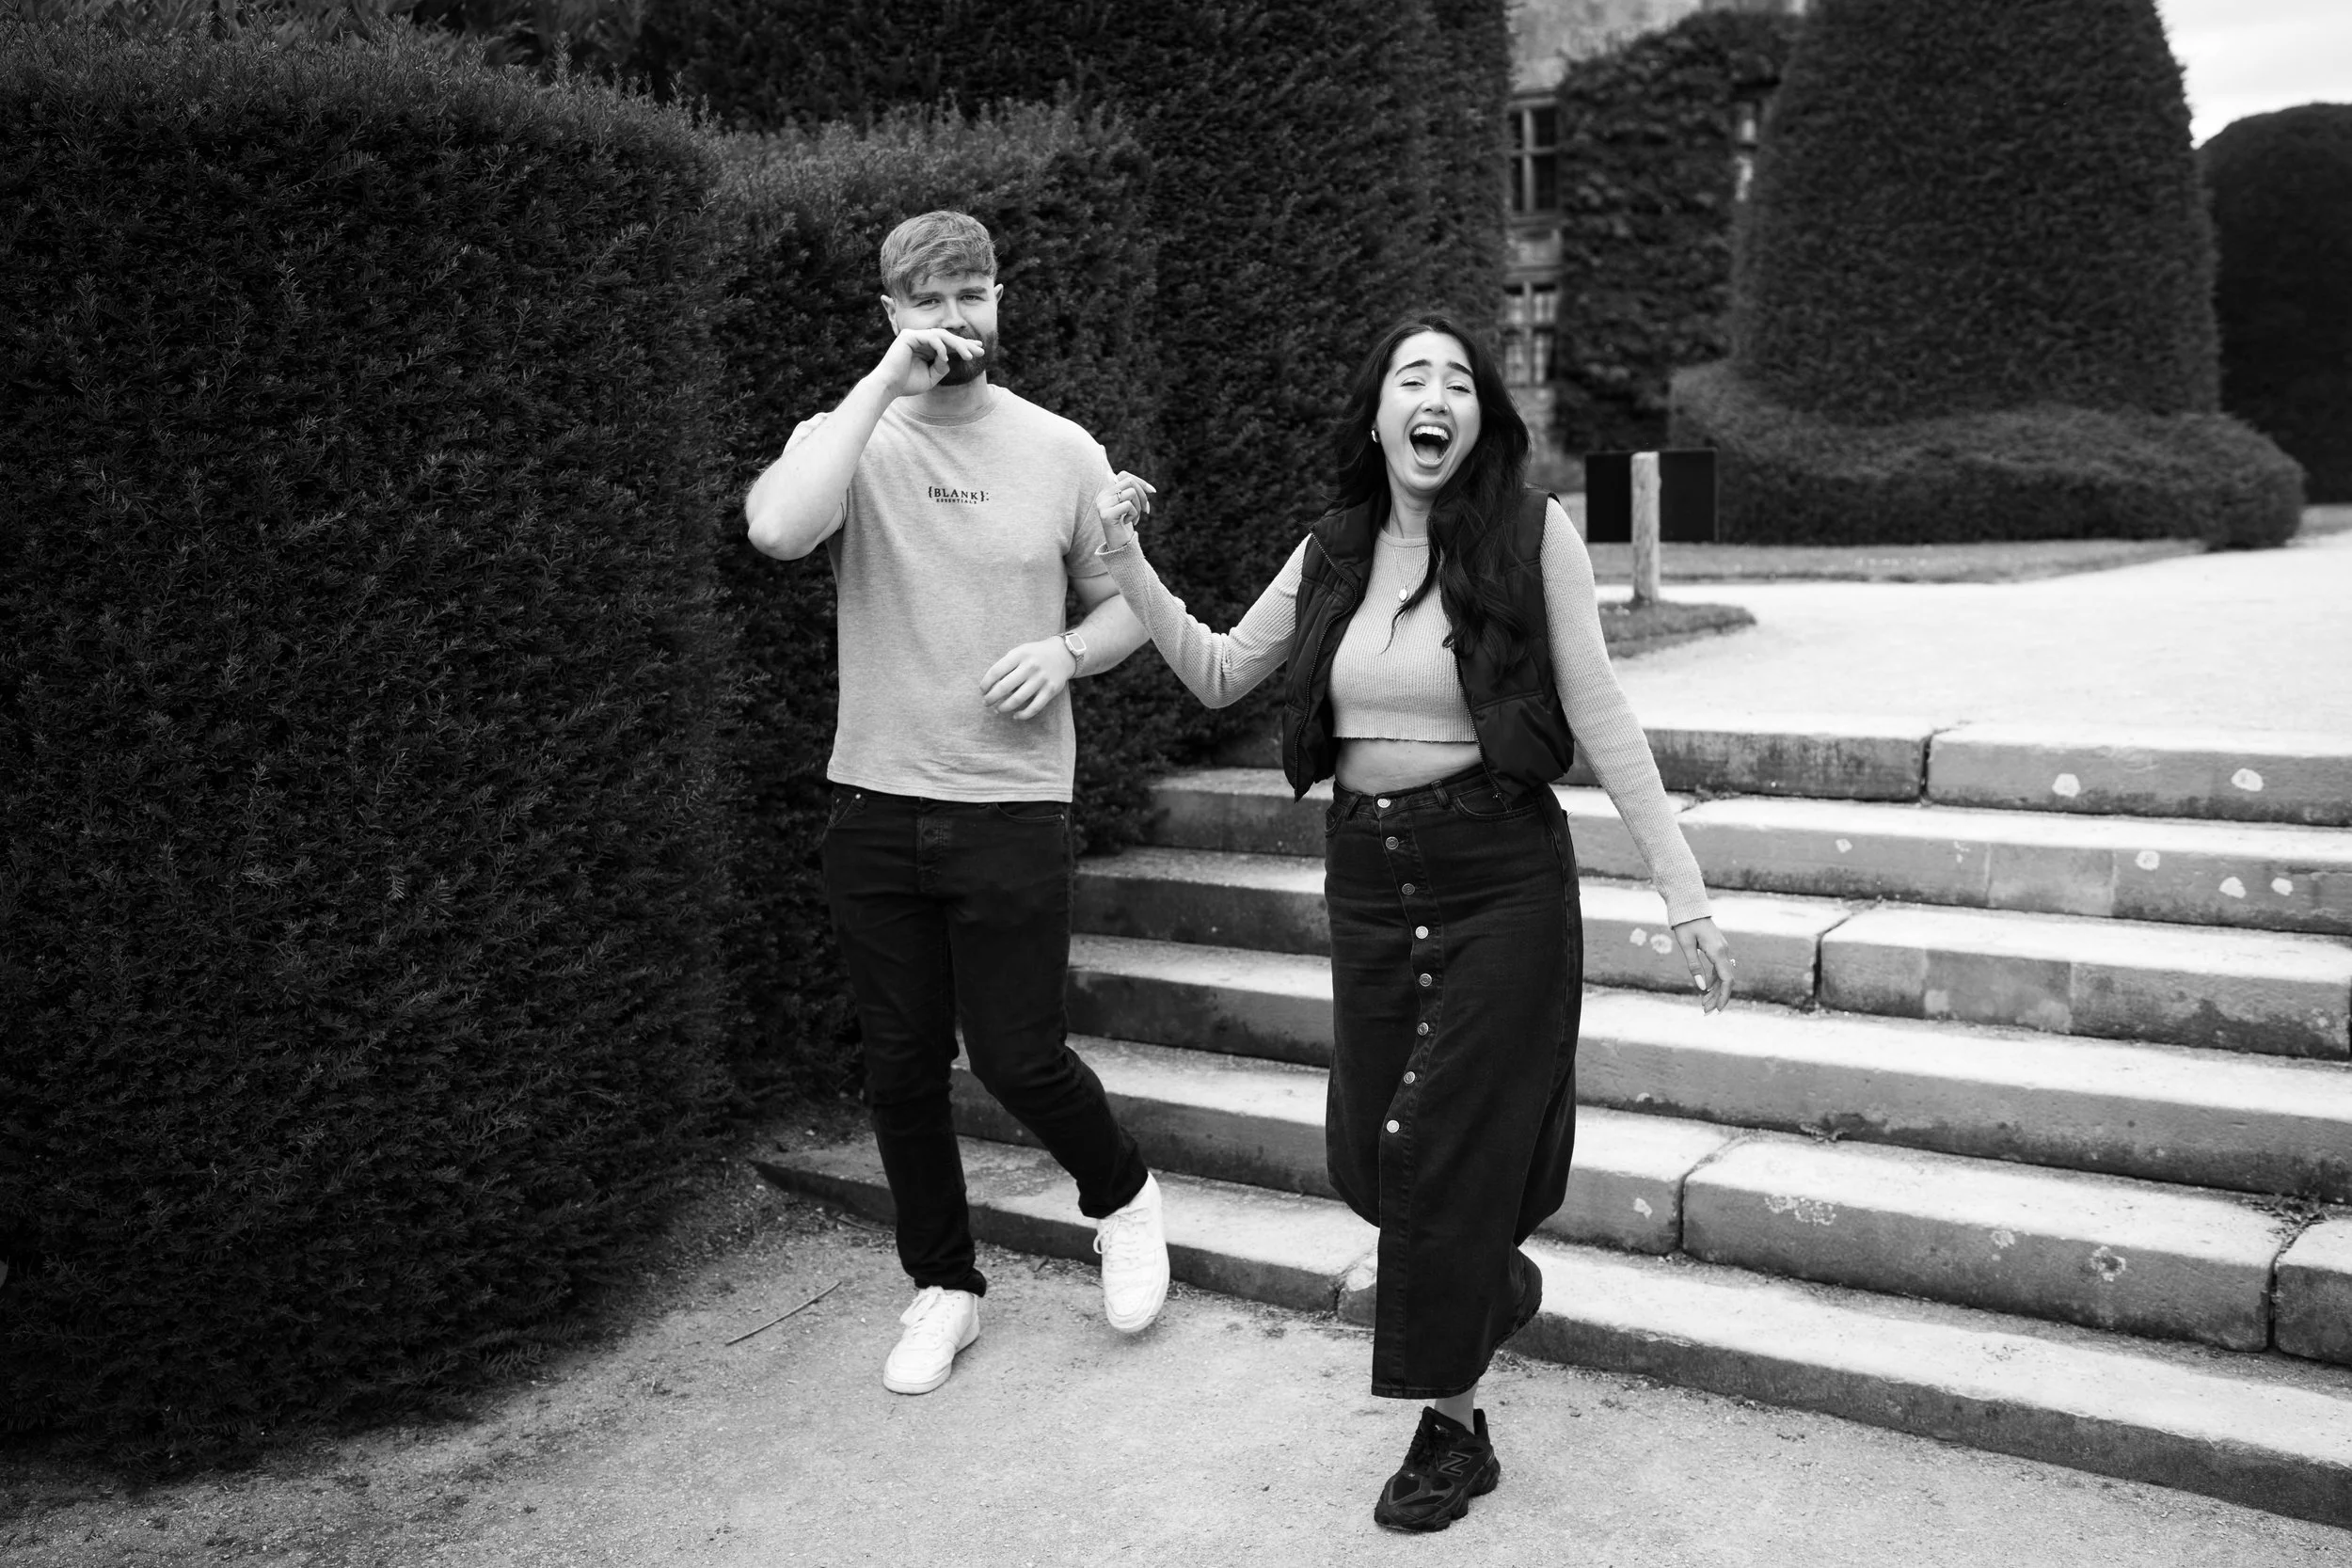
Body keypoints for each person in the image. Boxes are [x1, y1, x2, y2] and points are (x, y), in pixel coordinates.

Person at [1090, 313, 1735, 1530]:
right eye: (1411, 377)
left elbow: (1600, 712)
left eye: (1458, 382)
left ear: (1479, 418)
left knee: (1441, 1148)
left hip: (1500, 878)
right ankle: (1489, 1276)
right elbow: (1221, 669)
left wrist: (1682, 888)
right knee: (1367, 1153)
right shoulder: (1332, 548)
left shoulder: (1530, 535)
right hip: (1372, 876)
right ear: (1379, 413)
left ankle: (1451, 1428)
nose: (1435, 396)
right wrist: (1124, 555)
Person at [743, 210, 1171, 1397]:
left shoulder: (1061, 449)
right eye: (926, 302)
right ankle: (944, 1285)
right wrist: (884, 384)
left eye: (970, 294)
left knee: (1021, 1058)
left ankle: (1124, 1198)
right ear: (890, 314)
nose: (953, 320)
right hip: (874, 798)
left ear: (998, 298)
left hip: (1011, 802)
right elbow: (776, 529)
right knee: (899, 1067)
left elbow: (1132, 605)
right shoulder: (847, 435)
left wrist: (1066, 653)